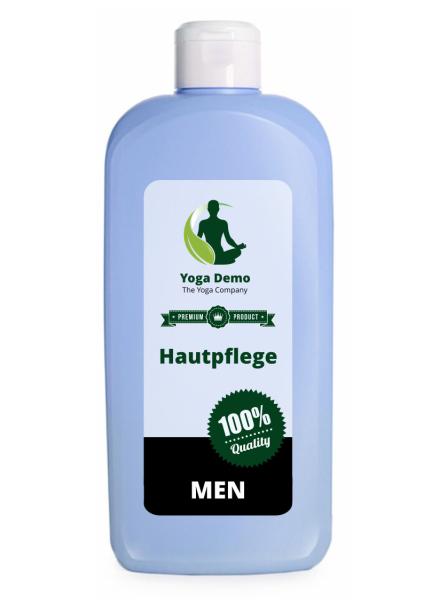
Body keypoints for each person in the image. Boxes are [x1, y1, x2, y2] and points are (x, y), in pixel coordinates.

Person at [197, 200, 246, 265]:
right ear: (218, 209)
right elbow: (228, 239)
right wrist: (237, 246)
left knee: (238, 251)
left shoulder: (204, 223)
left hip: (212, 254)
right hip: (217, 254)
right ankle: (221, 260)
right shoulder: (221, 223)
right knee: (237, 251)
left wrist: (237, 246)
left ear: (208, 210)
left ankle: (215, 260)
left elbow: (198, 241)